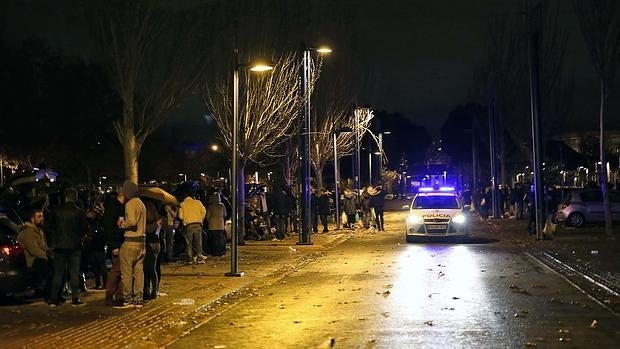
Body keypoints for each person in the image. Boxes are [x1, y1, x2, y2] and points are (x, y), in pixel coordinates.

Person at [48, 187, 89, 307]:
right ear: (75, 198)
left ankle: (53, 299)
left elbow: (50, 227)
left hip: (60, 246)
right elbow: (84, 229)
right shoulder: (80, 212)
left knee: (58, 273)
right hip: (75, 246)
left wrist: (54, 240)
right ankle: (75, 298)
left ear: (65, 197)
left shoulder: (56, 211)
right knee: (74, 272)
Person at [115, 180, 147, 308]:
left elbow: (132, 222)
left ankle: (127, 299)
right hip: (141, 242)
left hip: (130, 242)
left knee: (127, 272)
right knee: (139, 271)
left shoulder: (130, 204)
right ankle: (138, 298)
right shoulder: (141, 204)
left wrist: (122, 224)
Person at [17, 208, 54, 303]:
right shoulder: (28, 232)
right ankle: (49, 295)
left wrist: (51, 254)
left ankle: (55, 293)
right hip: (33, 261)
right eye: (39, 216)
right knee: (49, 268)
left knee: (57, 264)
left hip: (40, 258)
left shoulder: (39, 230)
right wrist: (47, 256)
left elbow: (44, 246)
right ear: (32, 219)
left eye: (42, 216)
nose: (42, 218)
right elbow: (33, 250)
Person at [102, 189, 124, 306]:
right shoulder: (113, 208)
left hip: (121, 243)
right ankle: (110, 295)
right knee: (116, 270)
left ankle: (119, 295)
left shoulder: (120, 206)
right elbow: (109, 228)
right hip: (117, 243)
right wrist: (114, 245)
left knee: (121, 270)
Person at [178, 192, 207, 264]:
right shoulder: (198, 202)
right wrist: (200, 218)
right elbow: (204, 211)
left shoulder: (182, 204)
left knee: (189, 243)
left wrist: (185, 220)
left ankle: (190, 259)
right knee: (198, 242)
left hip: (189, 225)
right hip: (198, 224)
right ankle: (199, 258)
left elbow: (180, 216)